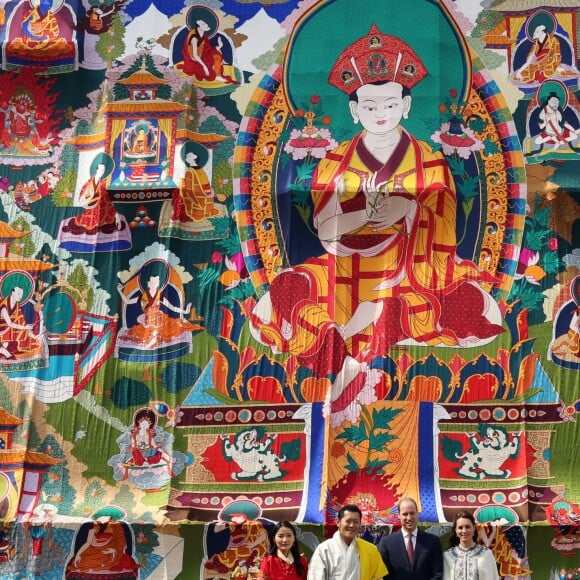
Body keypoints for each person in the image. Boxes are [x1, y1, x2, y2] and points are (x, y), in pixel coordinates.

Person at [250, 25, 503, 404]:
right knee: (282, 294)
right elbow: (325, 230)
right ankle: (349, 340)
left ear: (406, 106)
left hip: (410, 269)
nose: (380, 114)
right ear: (354, 110)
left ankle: (345, 340)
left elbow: (445, 228)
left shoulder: (429, 160)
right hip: (344, 266)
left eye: (389, 105)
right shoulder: (336, 161)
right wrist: (360, 217)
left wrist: (409, 208)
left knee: (477, 308)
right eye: (369, 106)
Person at [307, 504, 387, 580]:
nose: (352, 525)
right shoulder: (324, 550)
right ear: (338, 522)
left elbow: (377, 577)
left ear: (360, 524)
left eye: (356, 522)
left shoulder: (370, 549)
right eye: (348, 521)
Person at [65, 506, 140, 578]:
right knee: (81, 562)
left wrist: (114, 550)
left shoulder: (117, 527)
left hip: (109, 553)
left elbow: (120, 542)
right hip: (93, 551)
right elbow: (88, 542)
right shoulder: (93, 526)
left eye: (104, 516)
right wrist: (78, 554)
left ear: (110, 517)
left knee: (104, 558)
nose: (101, 519)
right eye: (99, 517)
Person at [378, 497, 443, 580]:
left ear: (417, 514)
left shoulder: (433, 541)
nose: (409, 518)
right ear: (399, 515)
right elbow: (384, 575)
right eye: (405, 514)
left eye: (412, 513)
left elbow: (437, 573)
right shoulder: (386, 543)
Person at [442, 511, 499, 580]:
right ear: (456, 531)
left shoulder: (486, 554)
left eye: (467, 527)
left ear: (474, 528)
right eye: (460, 527)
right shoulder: (447, 556)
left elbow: (493, 577)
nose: (464, 531)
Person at [171, 142, 220, 222]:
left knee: (179, 192)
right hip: (206, 193)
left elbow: (189, 188)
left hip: (198, 195)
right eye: (186, 156)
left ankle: (196, 211)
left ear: (195, 157)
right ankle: (206, 210)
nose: (186, 157)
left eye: (189, 155)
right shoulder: (197, 169)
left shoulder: (191, 171)